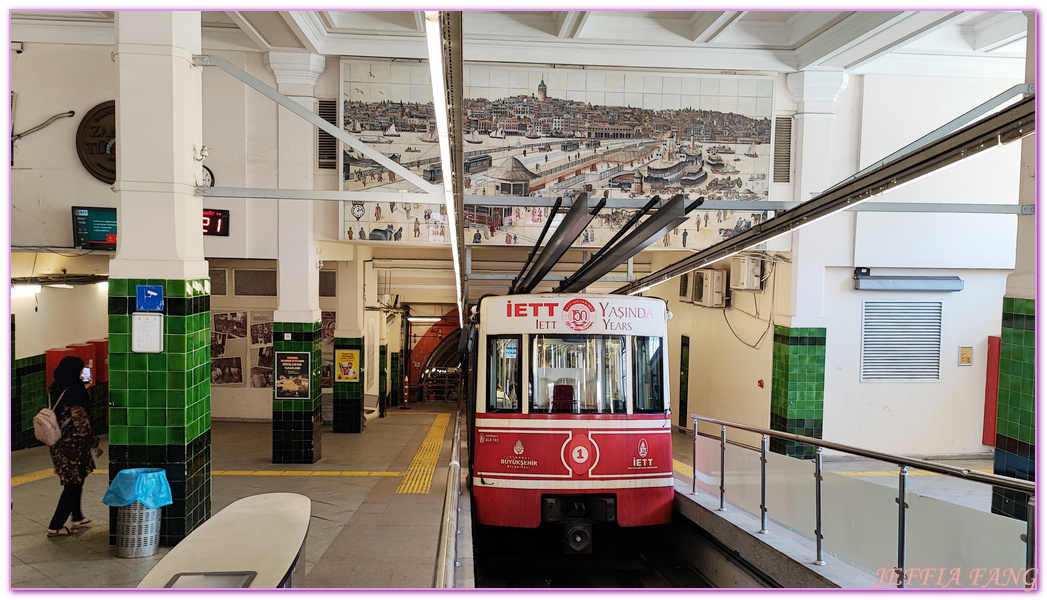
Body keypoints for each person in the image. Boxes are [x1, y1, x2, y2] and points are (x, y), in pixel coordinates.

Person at [46, 356, 102, 537]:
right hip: (73, 446)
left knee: (76, 481)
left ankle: (77, 516)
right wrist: (95, 444)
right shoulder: (75, 392)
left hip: (58, 443)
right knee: (72, 484)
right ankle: (55, 525)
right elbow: (81, 425)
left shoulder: (55, 387)